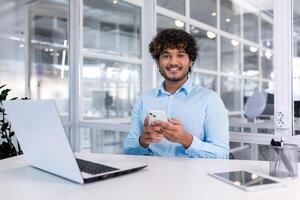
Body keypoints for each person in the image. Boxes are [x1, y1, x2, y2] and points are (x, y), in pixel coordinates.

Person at [123, 29, 229, 158]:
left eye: (180, 55)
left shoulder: (210, 100)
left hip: (193, 177)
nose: (173, 62)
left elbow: (222, 154)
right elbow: (128, 151)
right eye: (166, 56)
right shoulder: (144, 99)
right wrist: (143, 141)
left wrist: (186, 139)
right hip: (150, 175)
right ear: (157, 62)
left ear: (190, 61)